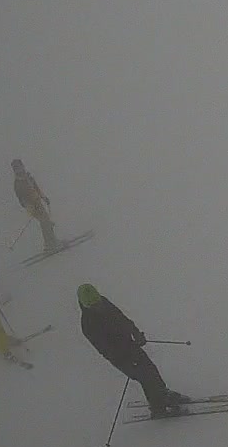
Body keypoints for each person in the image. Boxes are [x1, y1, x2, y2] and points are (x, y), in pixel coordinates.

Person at [77, 283, 188, 415]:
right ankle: (158, 407)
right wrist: (125, 355)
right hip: (119, 357)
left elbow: (122, 318)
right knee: (145, 377)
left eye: (98, 302)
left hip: (130, 345)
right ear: (86, 306)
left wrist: (136, 333)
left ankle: (163, 394)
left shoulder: (105, 303)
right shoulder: (88, 324)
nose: (98, 306)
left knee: (151, 369)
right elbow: (104, 349)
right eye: (94, 305)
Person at [12, 158, 60, 253]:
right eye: (16, 168)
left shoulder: (28, 177)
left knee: (47, 221)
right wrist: (29, 207)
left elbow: (36, 188)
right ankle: (49, 244)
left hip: (38, 202)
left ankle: (53, 241)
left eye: (20, 167)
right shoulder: (18, 183)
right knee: (45, 222)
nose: (19, 169)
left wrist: (44, 197)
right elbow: (21, 198)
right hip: (31, 205)